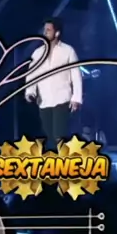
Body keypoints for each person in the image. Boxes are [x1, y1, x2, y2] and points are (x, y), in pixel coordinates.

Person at [25, 17, 82, 148]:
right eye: (44, 30)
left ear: (57, 33)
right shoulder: (38, 53)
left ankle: (61, 158)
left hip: (62, 98)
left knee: (59, 134)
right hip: (44, 99)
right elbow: (32, 75)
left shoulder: (68, 50)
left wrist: (76, 98)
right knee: (49, 135)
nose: (45, 32)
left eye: (48, 30)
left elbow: (76, 75)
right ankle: (54, 158)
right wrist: (30, 92)